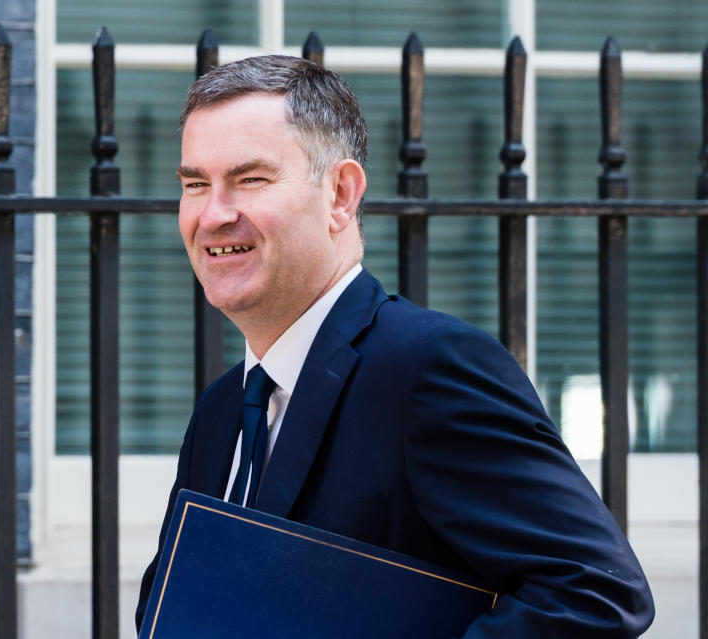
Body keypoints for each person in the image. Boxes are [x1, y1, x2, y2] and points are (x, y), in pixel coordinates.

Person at [136, 55, 655, 637]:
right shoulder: (223, 407)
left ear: (340, 194)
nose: (213, 213)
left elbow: (595, 592)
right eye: (195, 184)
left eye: (250, 179)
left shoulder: (430, 369)